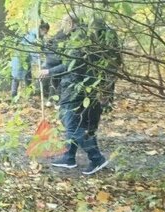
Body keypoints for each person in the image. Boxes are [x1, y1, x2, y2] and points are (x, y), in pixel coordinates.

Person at [40, 14, 110, 175]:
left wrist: (48, 71)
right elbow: (57, 53)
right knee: (75, 124)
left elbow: (70, 65)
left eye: (64, 22)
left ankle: (97, 158)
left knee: (72, 126)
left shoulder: (79, 42)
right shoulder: (78, 38)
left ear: (71, 23)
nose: (62, 26)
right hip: (80, 89)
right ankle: (69, 157)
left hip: (75, 89)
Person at [10, 21, 49, 98]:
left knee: (28, 76)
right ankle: (13, 94)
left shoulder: (38, 37)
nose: (46, 33)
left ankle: (29, 94)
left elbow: (42, 47)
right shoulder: (32, 36)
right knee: (17, 76)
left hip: (27, 59)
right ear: (42, 29)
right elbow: (32, 50)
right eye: (45, 31)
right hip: (20, 57)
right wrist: (40, 62)